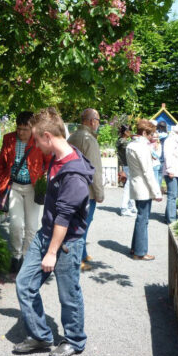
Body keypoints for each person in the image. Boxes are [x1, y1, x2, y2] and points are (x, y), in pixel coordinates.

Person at [14, 107, 93, 356]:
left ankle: (74, 340)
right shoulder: (59, 158)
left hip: (66, 242)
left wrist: (51, 253)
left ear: (48, 136)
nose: (35, 144)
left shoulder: (74, 172)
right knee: (24, 284)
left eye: (37, 139)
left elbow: (64, 218)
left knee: (68, 294)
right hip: (45, 233)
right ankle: (40, 336)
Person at [0, 111, 50, 273]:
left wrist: (45, 178)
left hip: (33, 189)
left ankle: (26, 256)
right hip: (14, 186)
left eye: (25, 129)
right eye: (19, 128)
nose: (21, 132)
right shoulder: (9, 139)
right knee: (16, 224)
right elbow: (1, 163)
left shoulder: (39, 140)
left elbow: (49, 162)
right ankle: (15, 255)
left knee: (31, 226)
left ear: (33, 128)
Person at [68, 108, 104, 271]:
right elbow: (94, 169)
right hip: (87, 190)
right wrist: (99, 193)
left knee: (77, 223)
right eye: (97, 120)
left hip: (73, 187)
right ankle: (76, 259)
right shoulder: (89, 139)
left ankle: (81, 253)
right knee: (82, 225)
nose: (98, 124)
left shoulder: (73, 136)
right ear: (91, 121)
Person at [126, 119, 162, 261]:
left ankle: (136, 247)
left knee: (140, 217)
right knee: (143, 219)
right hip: (143, 187)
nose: (152, 136)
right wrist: (157, 192)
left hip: (136, 184)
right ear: (144, 132)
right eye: (151, 134)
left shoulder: (132, 145)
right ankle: (140, 252)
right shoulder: (142, 148)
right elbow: (148, 172)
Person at [116, 124, 136, 216]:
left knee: (130, 187)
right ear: (125, 132)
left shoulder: (122, 141)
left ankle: (131, 207)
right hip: (127, 166)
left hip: (127, 166)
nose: (130, 133)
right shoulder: (123, 142)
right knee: (128, 188)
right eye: (128, 131)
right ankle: (124, 208)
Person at [157, 120, 168, 187]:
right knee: (160, 174)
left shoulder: (156, 134)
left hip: (155, 156)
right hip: (162, 156)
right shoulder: (166, 135)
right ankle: (158, 189)